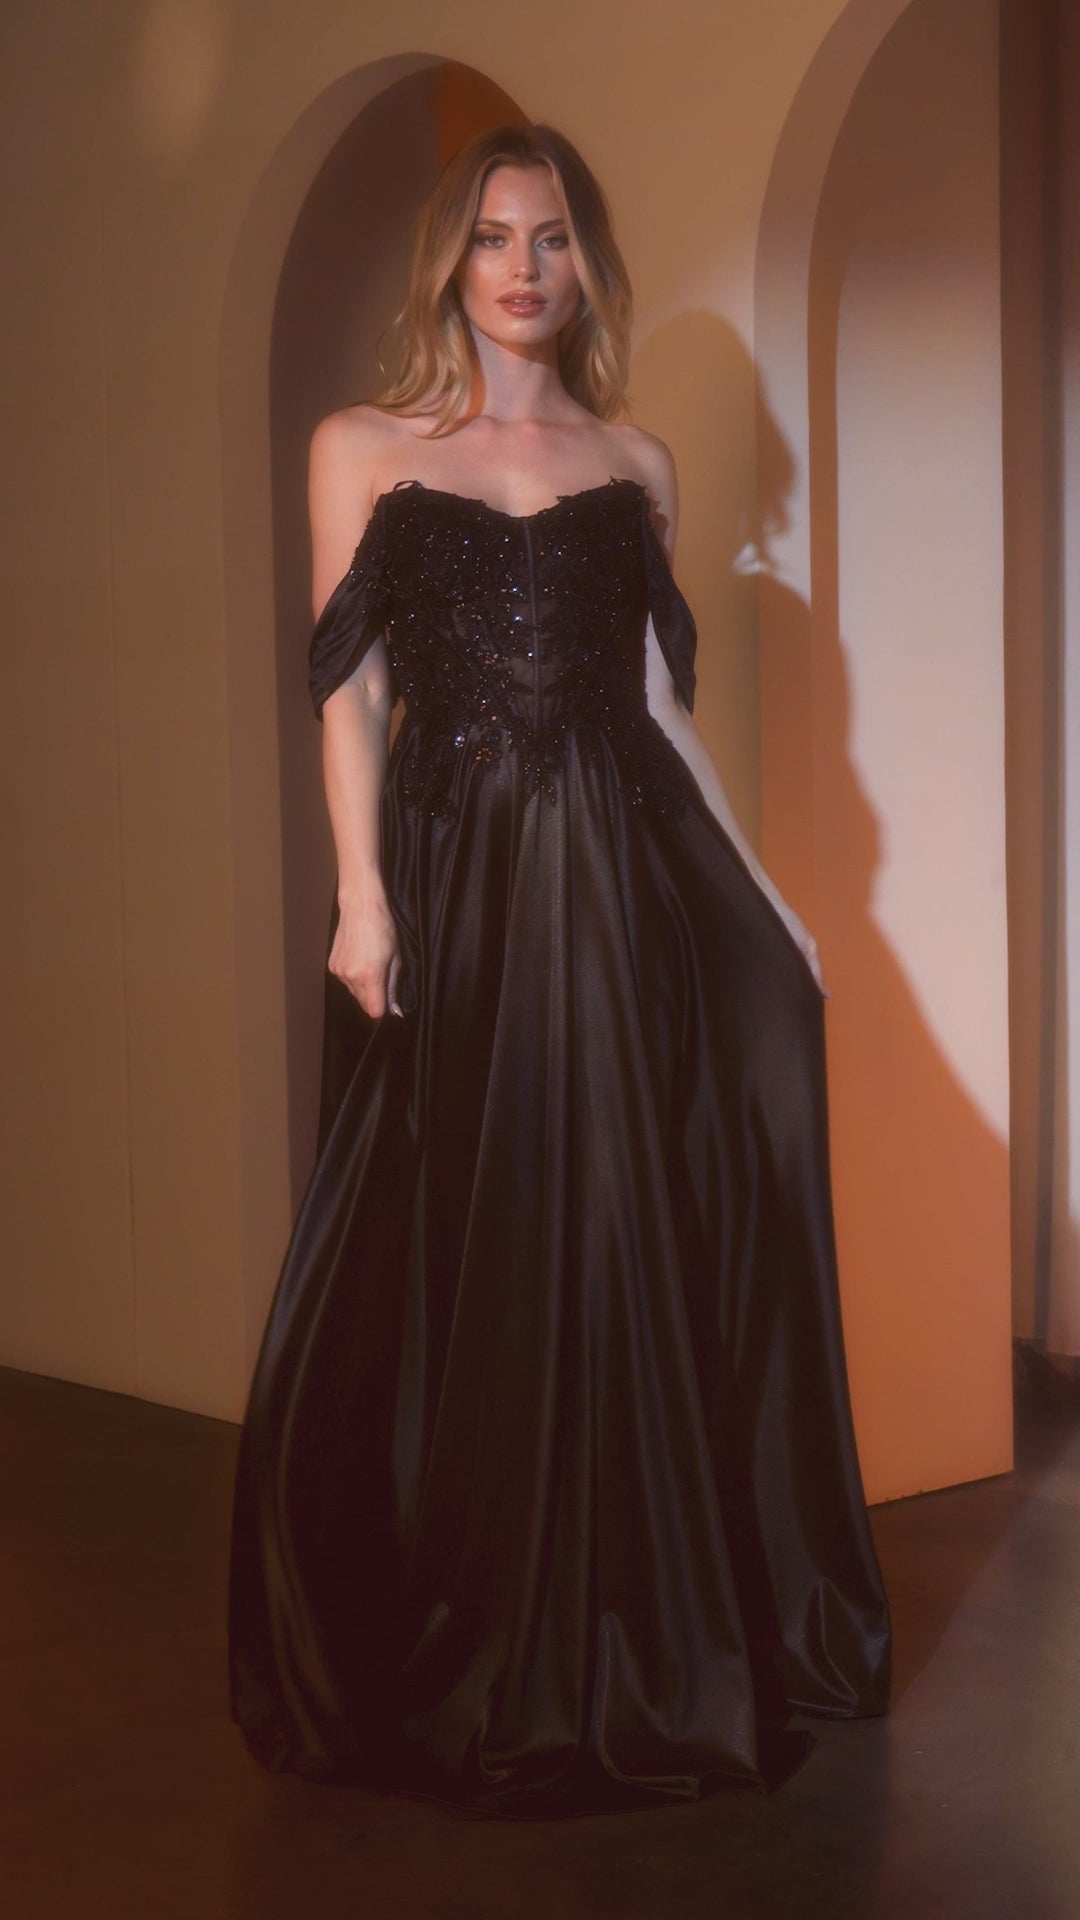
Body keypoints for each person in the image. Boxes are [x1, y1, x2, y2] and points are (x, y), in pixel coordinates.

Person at [228, 120, 891, 1820]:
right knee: (462, 1224)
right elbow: (350, 691)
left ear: (586, 262)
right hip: (458, 875)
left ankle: (632, 1620)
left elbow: (657, 709)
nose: (524, 269)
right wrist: (360, 896)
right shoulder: (360, 445)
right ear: (451, 261)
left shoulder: (636, 463)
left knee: (615, 1216)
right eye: (493, 237)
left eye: (553, 238)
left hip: (618, 871)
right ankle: (464, 1608)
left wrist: (772, 902)